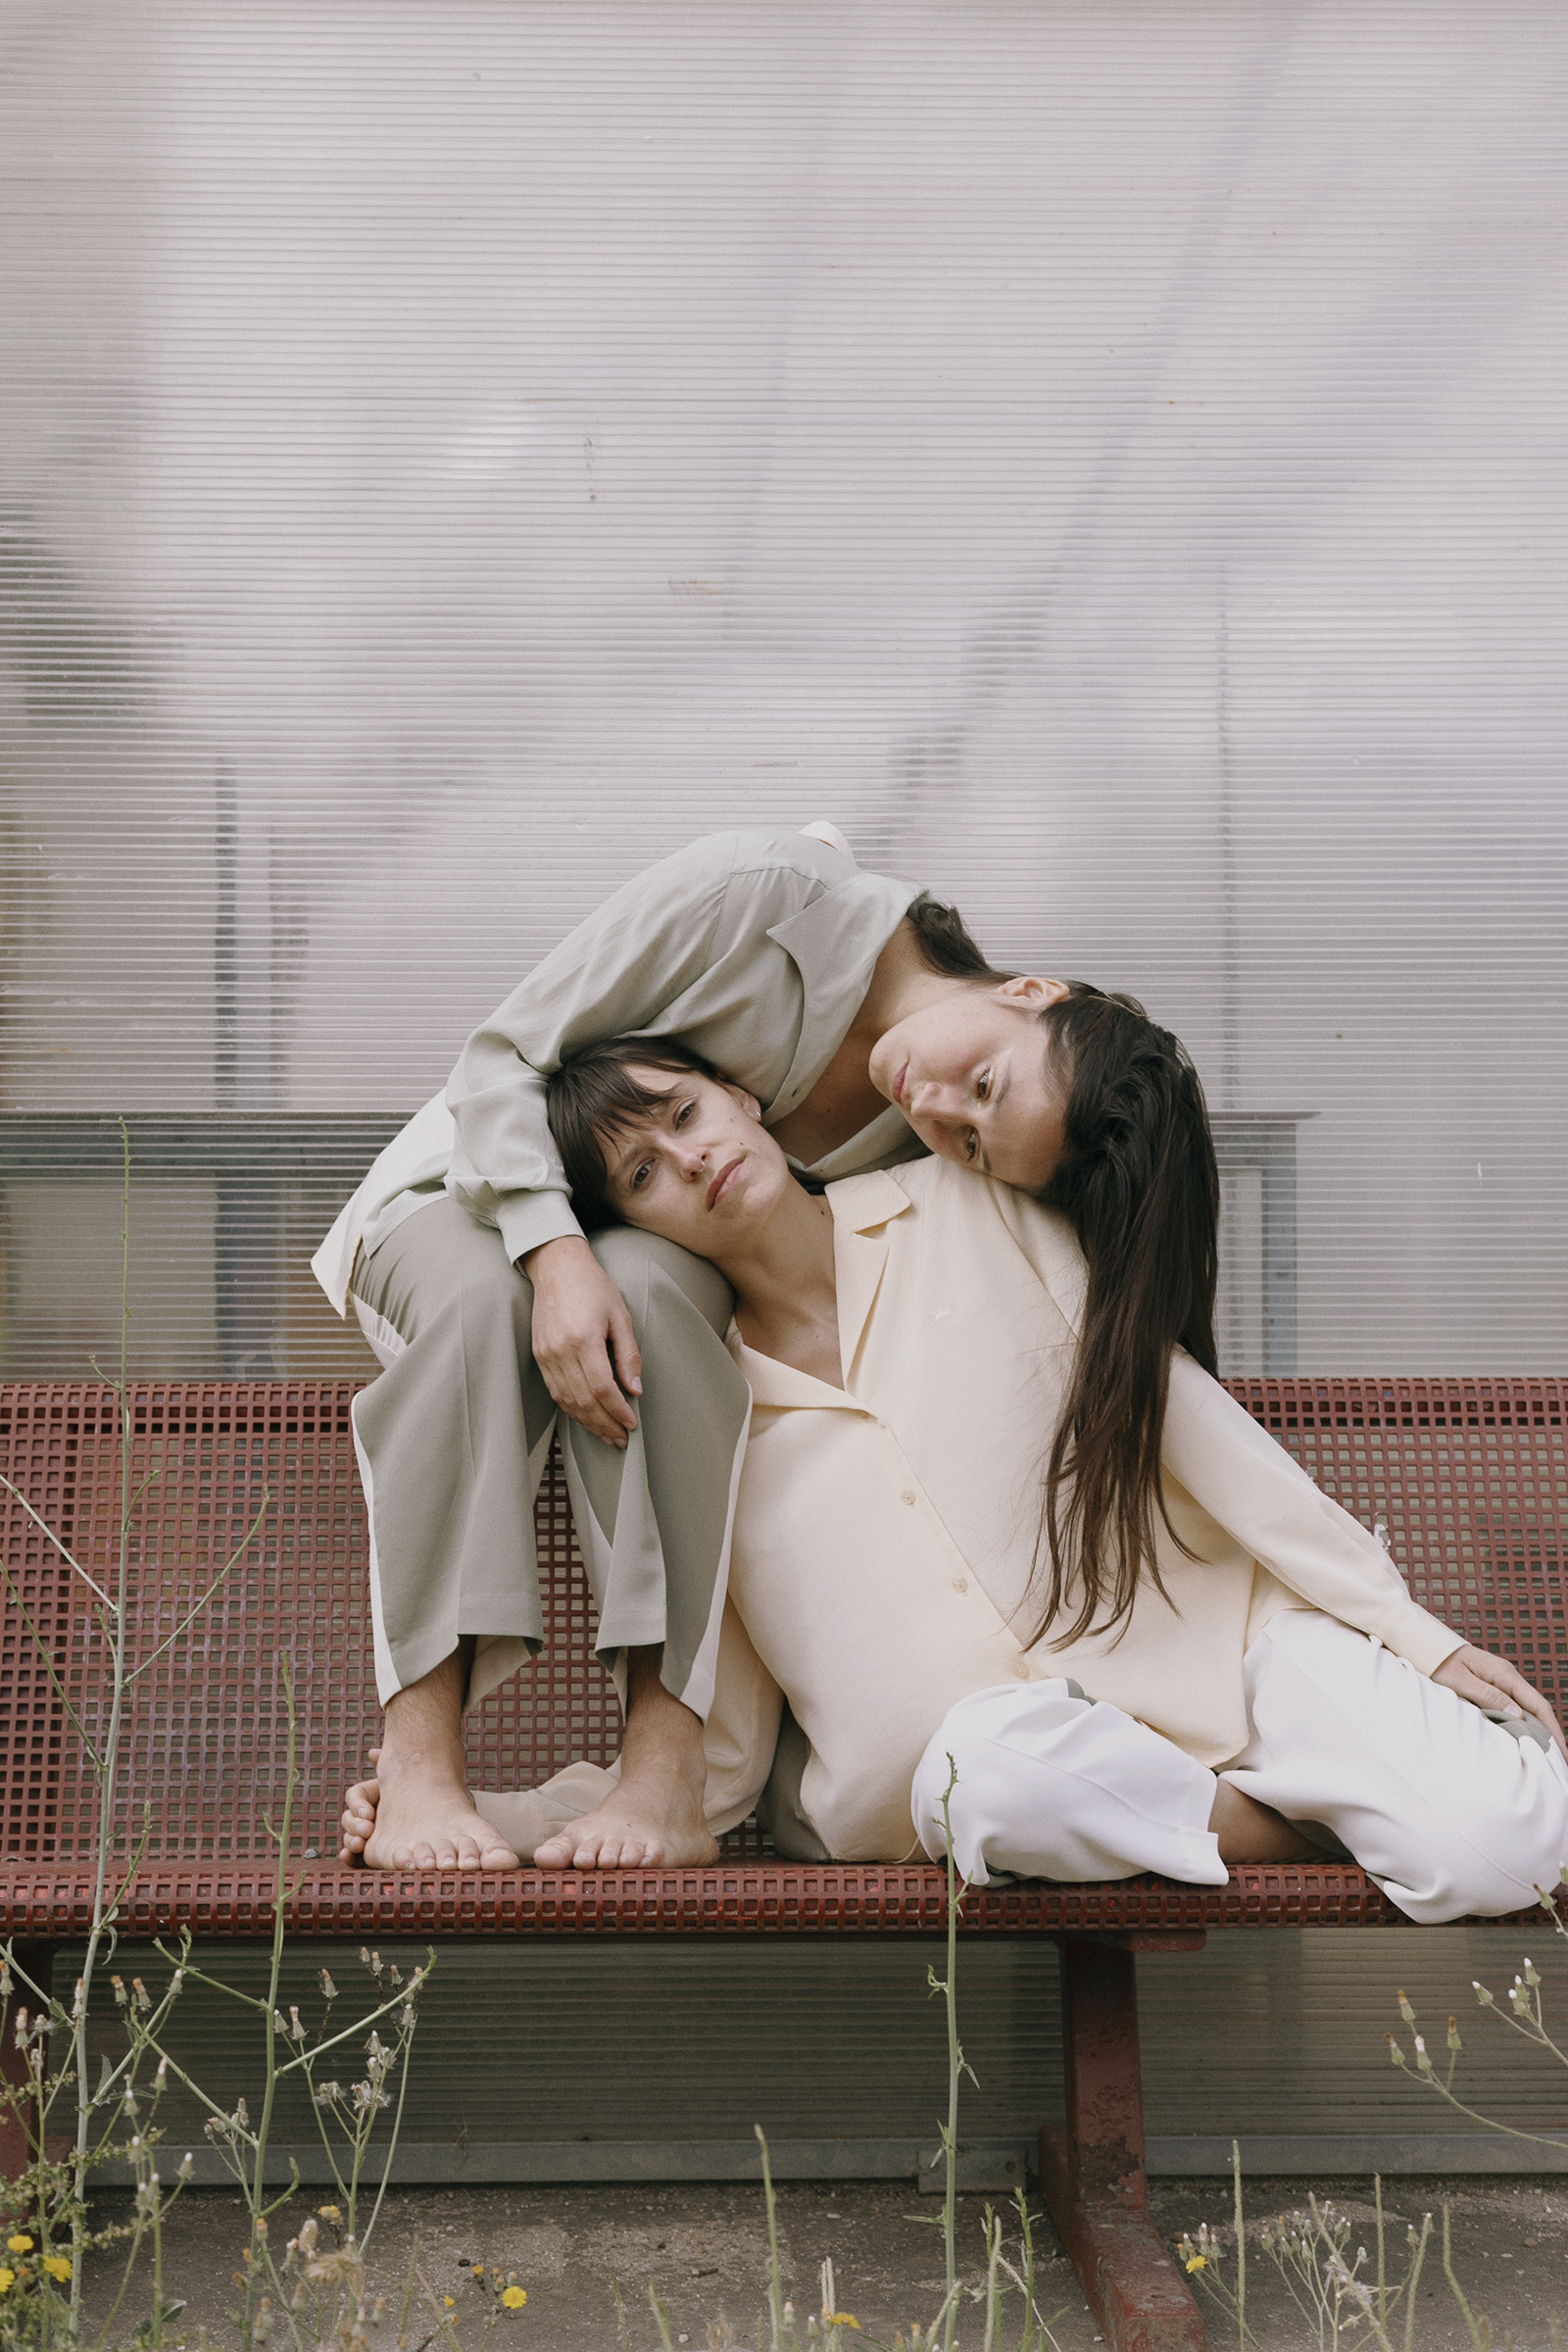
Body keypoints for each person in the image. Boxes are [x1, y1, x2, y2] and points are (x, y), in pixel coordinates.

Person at [343, 1035, 1568, 1923]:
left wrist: (1404, 1629)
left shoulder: (968, 1206)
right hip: (998, 1772)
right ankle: (1315, 1819)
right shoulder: (693, 1410)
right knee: (994, 1777)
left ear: (742, 1097)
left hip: (1224, 1652)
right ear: (628, 1233)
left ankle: (1248, 1807)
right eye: (641, 1174)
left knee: (1507, 1841)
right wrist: (506, 1819)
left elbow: (1192, 1425)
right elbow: (719, 1747)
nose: (687, 1157)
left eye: (682, 1112)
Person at [318, 823, 1098, 1873]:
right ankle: (417, 1765)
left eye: (976, 1134)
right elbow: (501, 1057)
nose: (944, 1112)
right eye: (983, 1092)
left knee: (659, 1303)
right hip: (465, 1190)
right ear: (1032, 993)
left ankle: (666, 1774)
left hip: (635, 1217)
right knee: (485, 1308)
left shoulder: (925, 1129)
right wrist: (555, 1253)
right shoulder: (768, 896)